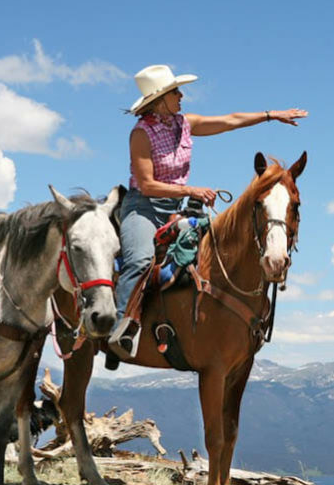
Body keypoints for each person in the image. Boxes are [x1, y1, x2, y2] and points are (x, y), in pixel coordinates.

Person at [109, 64, 307, 359]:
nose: (181, 96)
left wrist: (270, 116)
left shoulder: (184, 124)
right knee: (139, 260)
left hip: (177, 208)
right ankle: (122, 326)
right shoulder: (141, 134)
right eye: (175, 91)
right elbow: (148, 185)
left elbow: (229, 120)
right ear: (159, 99)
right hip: (144, 208)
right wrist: (192, 191)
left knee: (218, 251)